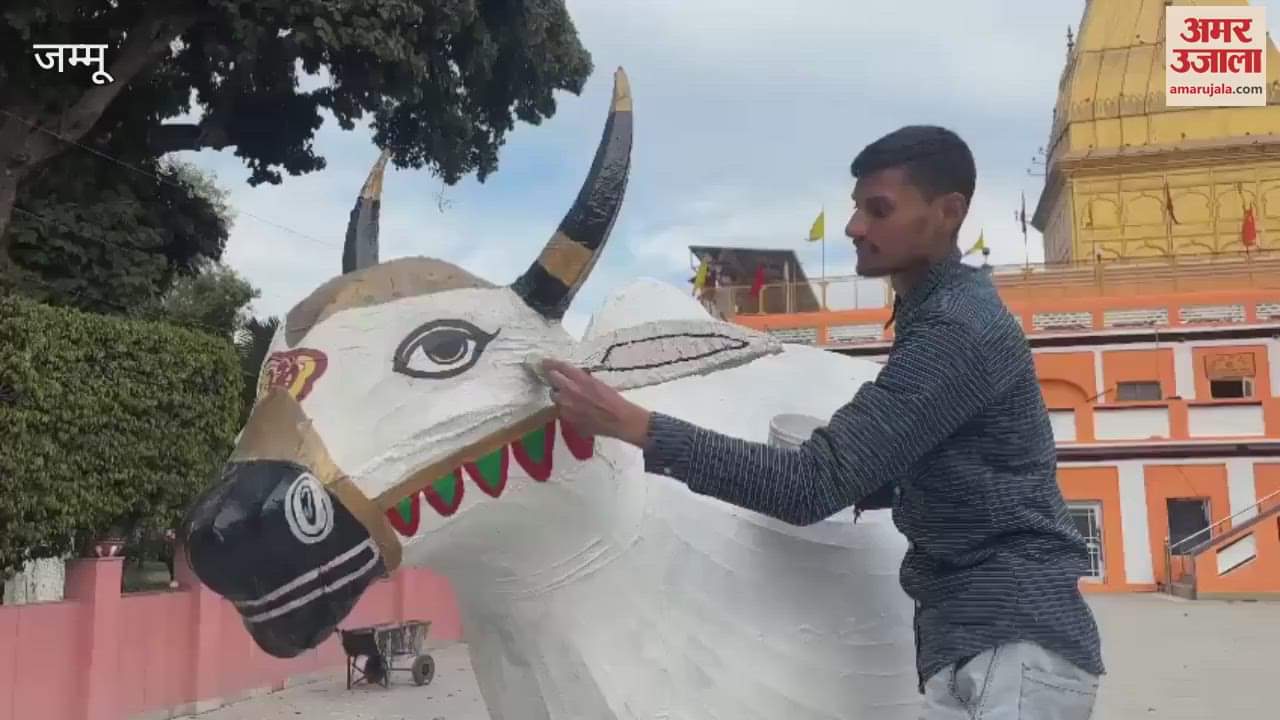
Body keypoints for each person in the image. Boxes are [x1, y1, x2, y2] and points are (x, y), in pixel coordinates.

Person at [542, 125, 1105, 718]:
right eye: (856, 208)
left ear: (948, 212)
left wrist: (635, 424)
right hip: (988, 647)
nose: (855, 228)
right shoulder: (940, 318)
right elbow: (960, 477)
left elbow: (809, 485)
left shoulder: (955, 331)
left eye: (878, 210)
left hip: (1009, 648)